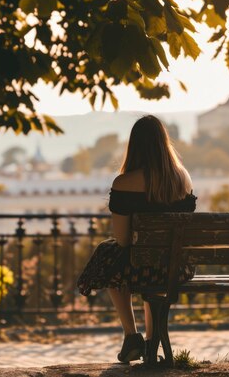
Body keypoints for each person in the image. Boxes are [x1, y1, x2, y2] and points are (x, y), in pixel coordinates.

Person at [77, 115, 197, 364]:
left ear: (134, 146)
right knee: (150, 268)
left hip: (139, 268)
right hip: (175, 268)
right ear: (164, 144)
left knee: (110, 256)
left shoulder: (124, 183)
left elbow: (121, 240)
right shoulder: (183, 180)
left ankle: (132, 336)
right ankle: (153, 341)